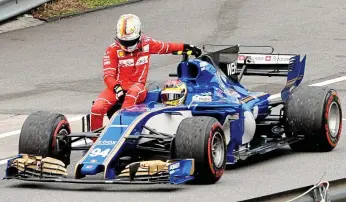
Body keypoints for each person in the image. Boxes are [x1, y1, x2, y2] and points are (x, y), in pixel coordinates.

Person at [90, 14, 201, 132]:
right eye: (123, 41)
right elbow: (108, 76)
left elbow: (166, 47)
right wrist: (117, 88)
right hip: (116, 87)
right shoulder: (112, 50)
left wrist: (185, 46)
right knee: (96, 108)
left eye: (130, 41)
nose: (127, 45)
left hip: (137, 86)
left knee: (132, 95)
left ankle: (123, 133)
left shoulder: (147, 43)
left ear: (138, 35)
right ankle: (95, 141)